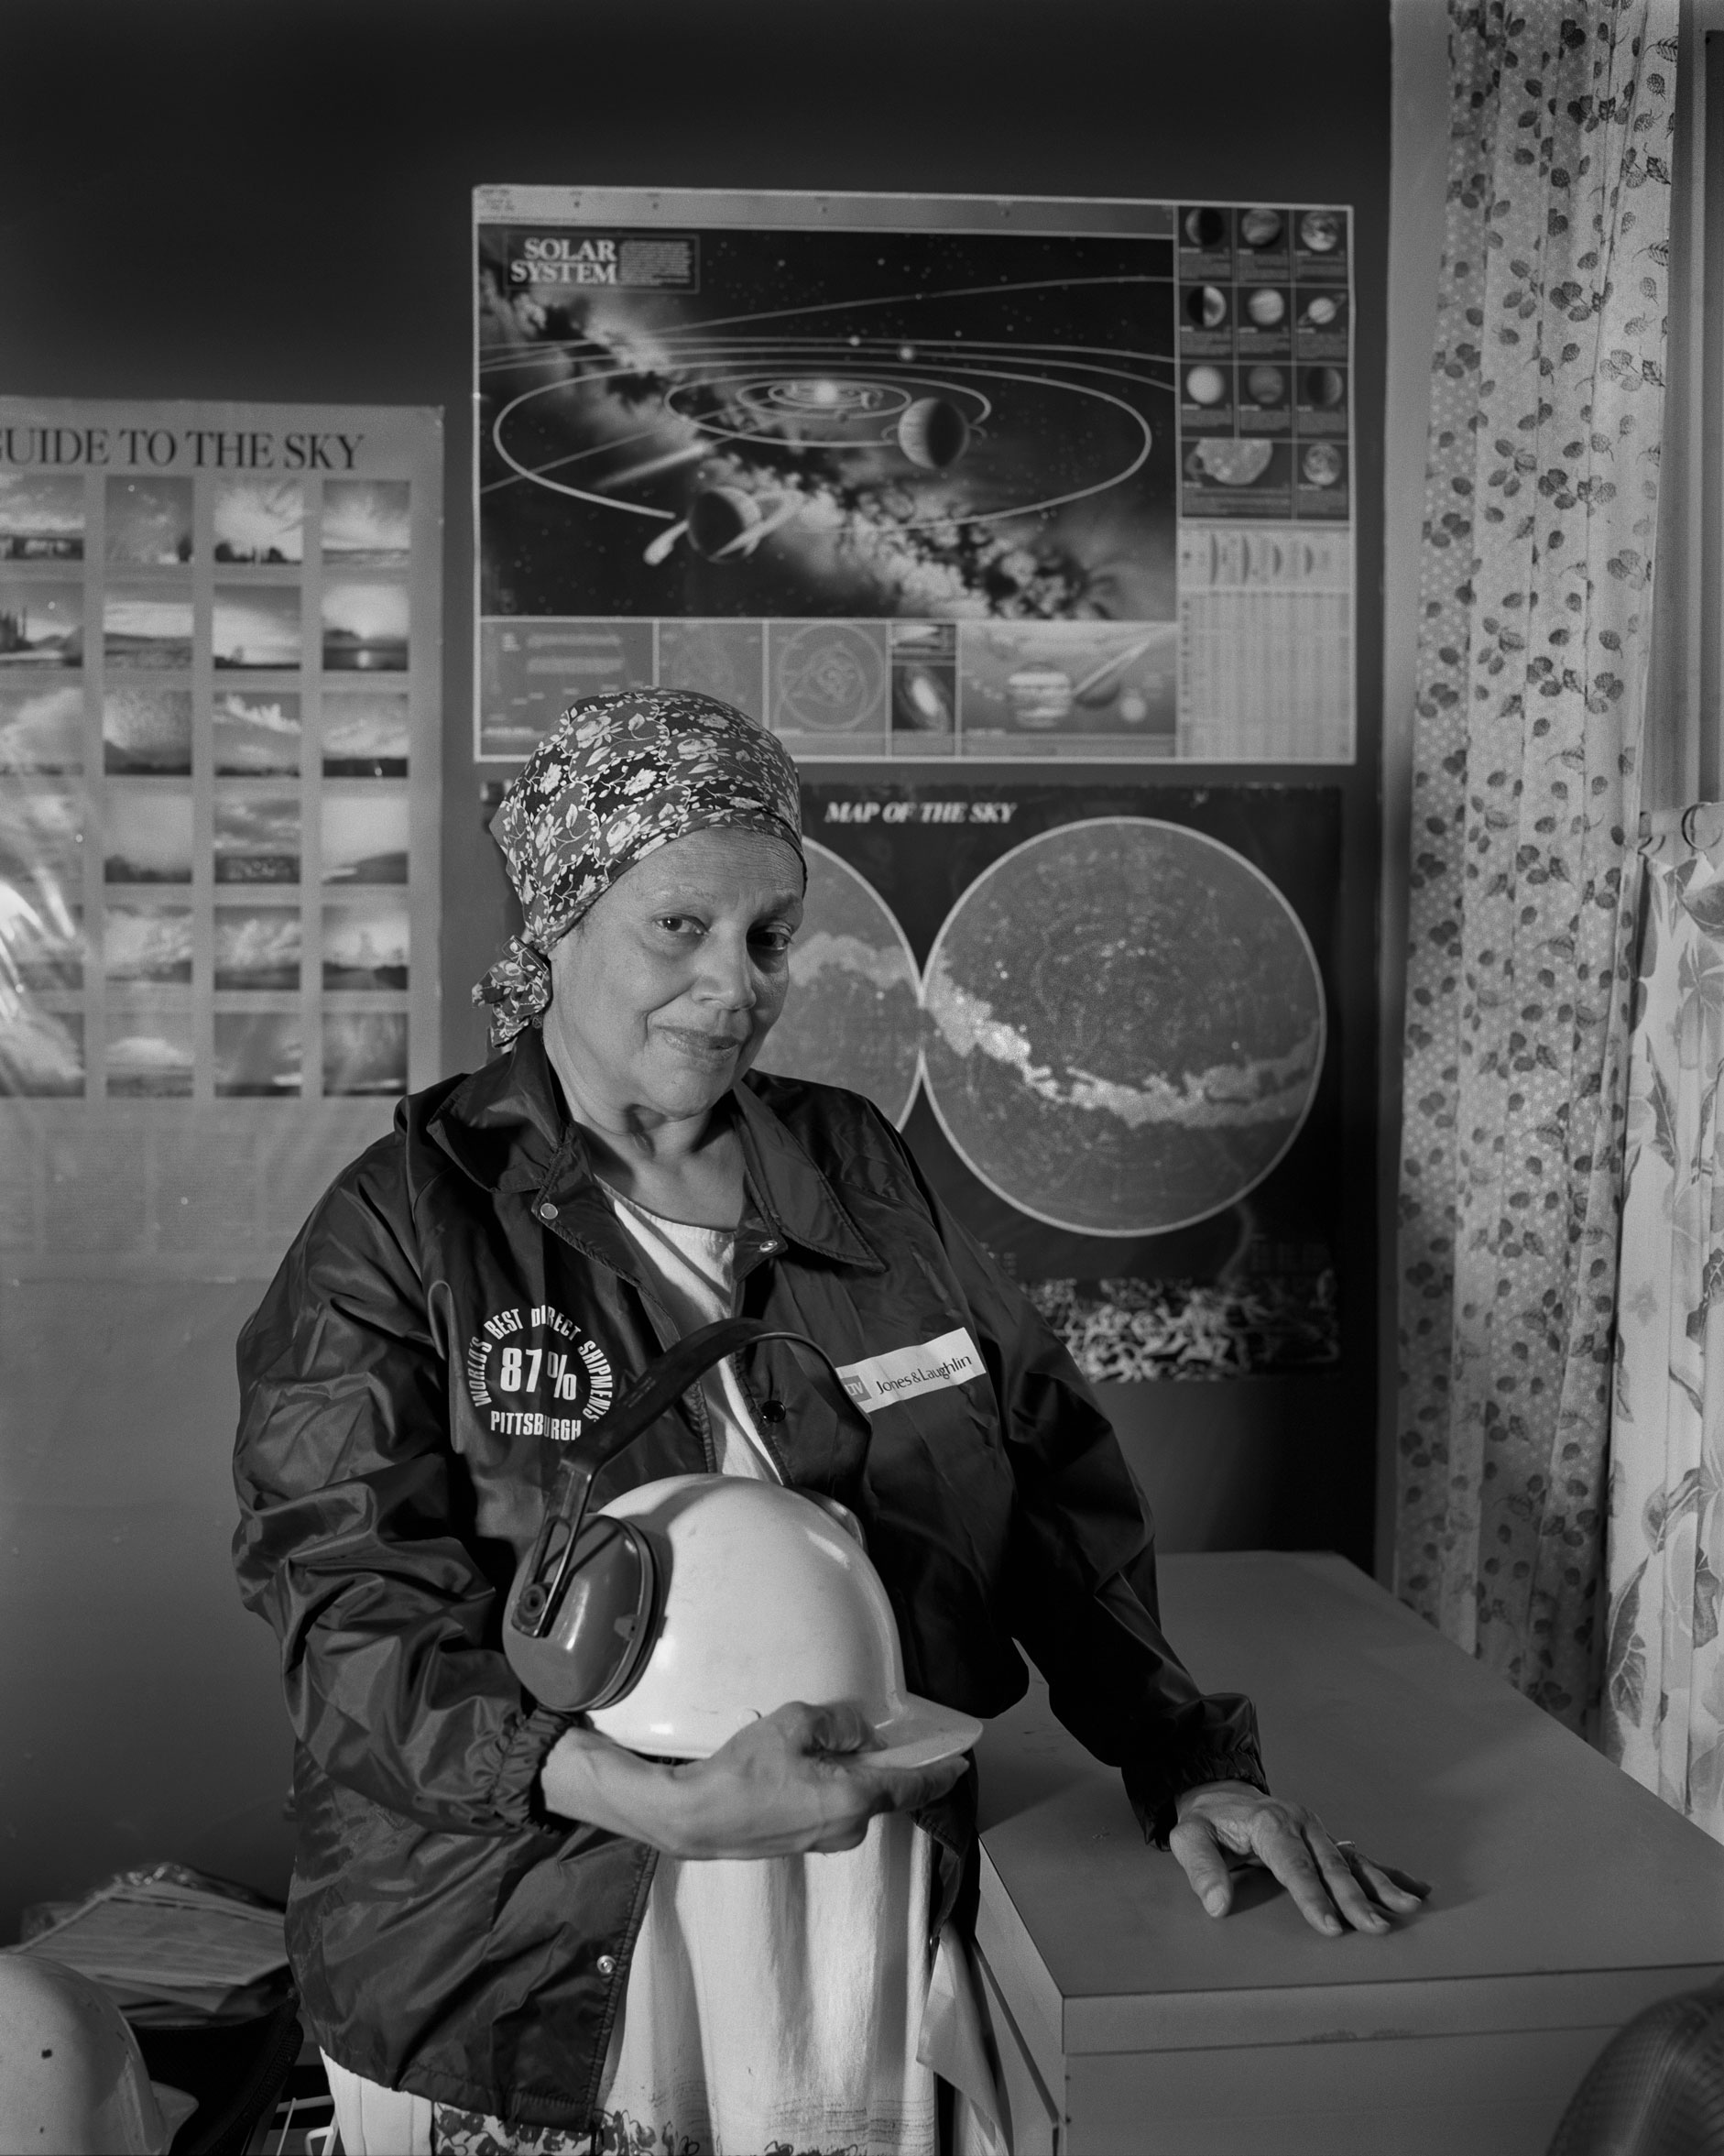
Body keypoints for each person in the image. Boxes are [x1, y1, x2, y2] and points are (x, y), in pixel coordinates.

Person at [233, 690, 1424, 2156]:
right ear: (556, 922)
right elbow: (339, 1597)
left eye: (769, 934)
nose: (735, 983)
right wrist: (643, 1802)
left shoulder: (852, 1163)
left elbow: (1044, 1472)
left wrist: (1187, 1758)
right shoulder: (405, 1223)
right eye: (680, 925)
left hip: (845, 1910)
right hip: (524, 1940)